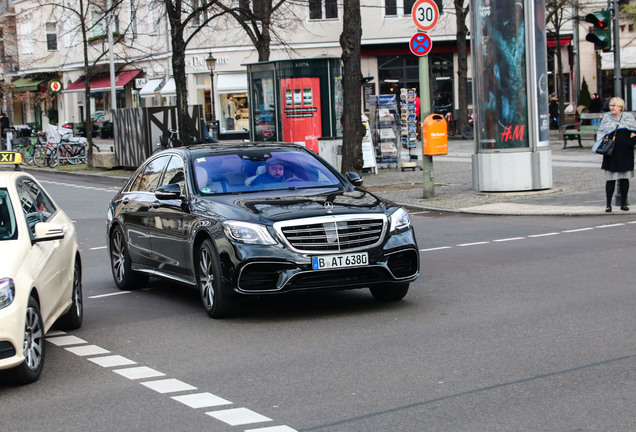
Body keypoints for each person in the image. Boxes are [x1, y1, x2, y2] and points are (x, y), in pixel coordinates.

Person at [593, 97, 636, 212]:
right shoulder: (607, 117)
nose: (611, 107)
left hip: (625, 152)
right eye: (610, 105)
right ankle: (608, 204)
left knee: (624, 179)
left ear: (620, 107)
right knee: (610, 179)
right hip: (611, 152)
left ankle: (623, 203)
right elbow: (602, 132)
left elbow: (634, 133)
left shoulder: (628, 118)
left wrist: (630, 143)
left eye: (614, 105)